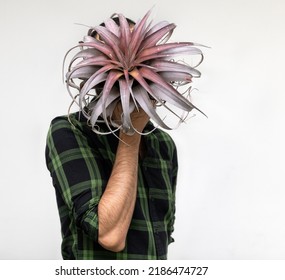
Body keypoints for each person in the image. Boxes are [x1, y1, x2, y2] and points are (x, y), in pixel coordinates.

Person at [45, 11, 201, 260]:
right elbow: (109, 235)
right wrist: (131, 129)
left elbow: (162, 234)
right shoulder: (69, 131)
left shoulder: (163, 145)